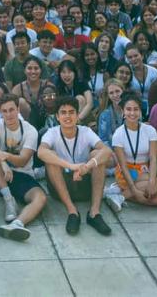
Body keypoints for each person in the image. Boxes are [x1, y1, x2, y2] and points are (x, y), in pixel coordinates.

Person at [37, 96, 115, 235]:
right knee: (51, 157)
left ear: (78, 115)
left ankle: (94, 213)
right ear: (57, 116)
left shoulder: (85, 131)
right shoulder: (52, 132)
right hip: (61, 184)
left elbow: (107, 151)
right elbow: (41, 152)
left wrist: (87, 166)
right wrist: (71, 166)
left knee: (97, 155)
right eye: (63, 112)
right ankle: (72, 212)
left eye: (71, 112)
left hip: (85, 184)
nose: (68, 116)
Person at [0, 93, 47, 242]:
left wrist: (7, 157)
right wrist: (4, 163)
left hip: (23, 175)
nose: (8, 114)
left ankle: (17, 224)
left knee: (41, 198)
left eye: (11, 110)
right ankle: (9, 200)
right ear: (0, 112)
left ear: (18, 109)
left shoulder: (30, 131)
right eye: (4, 111)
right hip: (1, 176)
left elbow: (23, 160)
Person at [110, 95, 157, 209]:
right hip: (126, 173)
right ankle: (126, 192)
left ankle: (121, 195)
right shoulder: (118, 134)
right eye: (128, 109)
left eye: (136, 109)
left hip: (143, 171)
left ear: (140, 111)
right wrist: (134, 190)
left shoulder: (150, 130)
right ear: (123, 111)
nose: (132, 113)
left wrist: (151, 181)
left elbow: (153, 159)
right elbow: (122, 165)